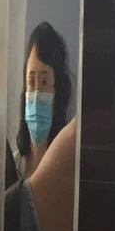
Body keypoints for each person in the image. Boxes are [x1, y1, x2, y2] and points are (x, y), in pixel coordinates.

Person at [15, 21, 73, 177]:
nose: (36, 92)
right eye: (31, 82)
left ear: (58, 92)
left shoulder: (68, 174)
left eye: (44, 82)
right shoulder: (11, 169)